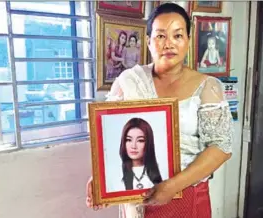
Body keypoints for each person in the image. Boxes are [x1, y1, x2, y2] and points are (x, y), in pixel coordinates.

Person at [86, 3, 233, 218]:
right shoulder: (129, 81)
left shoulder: (207, 87)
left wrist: (173, 186)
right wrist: (102, 177)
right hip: (135, 197)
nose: (169, 44)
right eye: (161, 36)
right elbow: (110, 135)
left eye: (178, 35)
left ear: (188, 41)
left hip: (187, 195)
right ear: (148, 41)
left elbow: (221, 147)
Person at [119, 117, 162, 191]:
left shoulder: (160, 170)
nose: (133, 146)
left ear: (148, 143)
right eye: (128, 140)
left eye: (140, 140)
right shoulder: (116, 174)